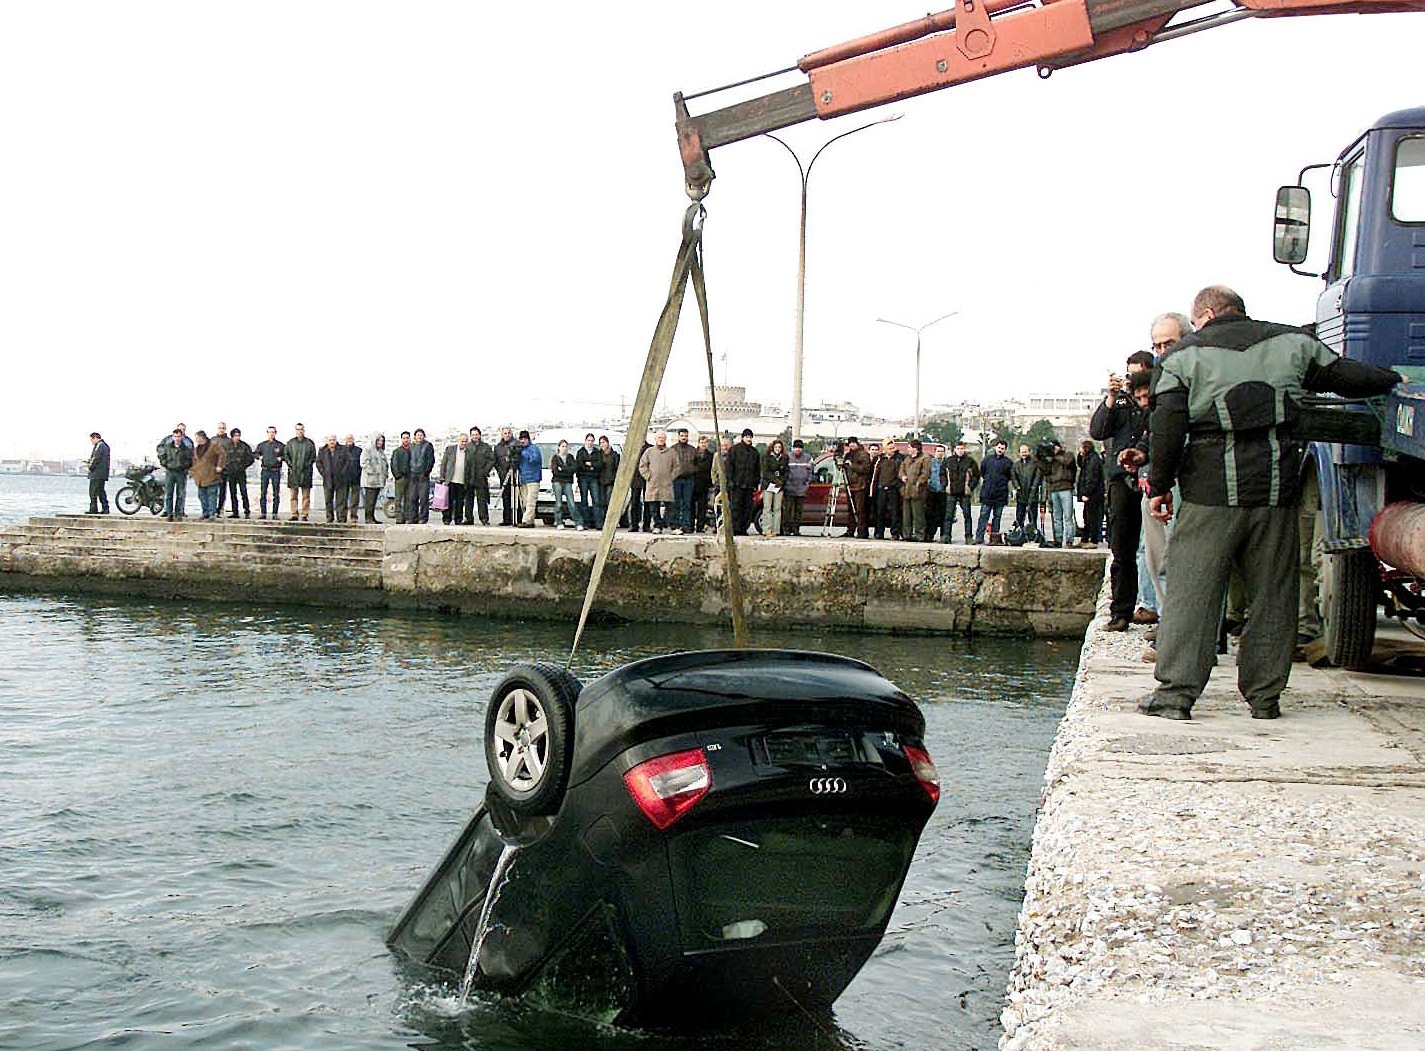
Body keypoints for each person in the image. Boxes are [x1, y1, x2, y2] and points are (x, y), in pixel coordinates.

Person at [1138, 284, 1403, 721]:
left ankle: (1175, 697)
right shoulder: (1292, 343)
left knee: (1193, 593)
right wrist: (1394, 379)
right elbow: (1347, 377)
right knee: (1273, 596)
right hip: (1275, 490)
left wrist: (1161, 486)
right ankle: (1264, 698)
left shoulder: (1180, 358)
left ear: (1203, 316)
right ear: (1240, 311)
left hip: (1209, 495)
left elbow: (1166, 428)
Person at [1091, 367, 1151, 630]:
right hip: (1121, 481)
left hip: (1152, 476)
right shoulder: (1121, 403)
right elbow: (1098, 431)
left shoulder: (1158, 401)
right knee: (1122, 548)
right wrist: (1111, 399)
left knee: (1155, 548)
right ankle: (1121, 611)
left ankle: (1153, 607)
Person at [1036, 439, 1077, 547]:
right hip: (1054, 488)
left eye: (1054, 447)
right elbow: (1045, 471)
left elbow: (1067, 462)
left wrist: (1055, 455)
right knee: (1056, 516)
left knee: (1068, 516)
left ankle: (1069, 540)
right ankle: (1058, 540)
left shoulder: (1068, 455)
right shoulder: (1050, 460)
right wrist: (1039, 458)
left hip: (1066, 487)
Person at [639, 431, 677, 533]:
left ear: (665, 439)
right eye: (659, 437)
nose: (661, 439)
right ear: (656, 439)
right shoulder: (649, 451)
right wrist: (648, 476)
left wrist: (671, 477)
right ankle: (657, 526)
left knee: (670, 506)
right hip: (653, 483)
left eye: (663, 438)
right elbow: (642, 465)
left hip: (666, 484)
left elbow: (677, 467)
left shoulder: (671, 452)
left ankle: (673, 527)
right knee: (654, 507)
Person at [942, 440, 979, 544]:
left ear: (965, 449)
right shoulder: (948, 461)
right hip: (951, 492)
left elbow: (976, 476)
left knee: (967, 515)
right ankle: (946, 536)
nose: (960, 450)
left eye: (962, 448)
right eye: (958, 448)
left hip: (964, 493)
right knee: (948, 515)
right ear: (954, 450)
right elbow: (942, 474)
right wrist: (945, 486)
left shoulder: (970, 461)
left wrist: (970, 488)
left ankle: (968, 537)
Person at [976, 440, 1013, 543]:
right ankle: (979, 537)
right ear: (995, 448)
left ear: (1005, 450)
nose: (1000, 450)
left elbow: (1010, 477)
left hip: (1001, 494)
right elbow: (982, 472)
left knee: (997, 517)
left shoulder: (1008, 462)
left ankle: (994, 538)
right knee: (983, 516)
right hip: (987, 493)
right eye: (999, 447)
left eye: (1002, 448)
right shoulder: (987, 459)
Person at [728, 429, 761, 535]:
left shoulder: (754, 452)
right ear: (742, 437)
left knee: (747, 508)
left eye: (750, 437)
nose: (748, 439)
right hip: (737, 485)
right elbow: (729, 467)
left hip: (749, 485)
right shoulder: (734, 450)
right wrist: (731, 481)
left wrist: (756, 483)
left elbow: (757, 469)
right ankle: (734, 528)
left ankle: (743, 528)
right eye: (747, 437)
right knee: (735, 508)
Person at [899, 439, 932, 542]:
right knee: (906, 514)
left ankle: (920, 535)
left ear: (916, 448)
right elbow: (901, 469)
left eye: (909, 447)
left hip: (918, 490)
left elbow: (926, 473)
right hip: (907, 489)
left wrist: (919, 482)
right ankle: (907, 534)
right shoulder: (907, 459)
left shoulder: (925, 458)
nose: (908, 449)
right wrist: (902, 476)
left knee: (918, 514)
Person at [157, 427, 193, 520]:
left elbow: (190, 459)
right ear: (172, 437)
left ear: (181, 437)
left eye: (179, 436)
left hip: (181, 472)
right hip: (170, 472)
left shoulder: (185, 449)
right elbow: (162, 456)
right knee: (169, 493)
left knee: (180, 494)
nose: (177, 438)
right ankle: (169, 513)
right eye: (175, 436)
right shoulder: (168, 447)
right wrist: (166, 464)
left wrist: (184, 466)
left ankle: (178, 513)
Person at [190, 429, 226, 520]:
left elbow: (222, 454)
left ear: (203, 437)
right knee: (202, 496)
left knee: (212, 495)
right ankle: (205, 512)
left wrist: (219, 466)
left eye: (197, 438)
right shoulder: (196, 449)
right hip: (199, 477)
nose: (196, 440)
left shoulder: (213, 445)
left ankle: (212, 513)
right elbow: (194, 461)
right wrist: (193, 472)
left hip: (212, 475)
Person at [869, 441, 902, 540]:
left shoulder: (898, 459)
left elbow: (899, 474)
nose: (893, 450)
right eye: (890, 448)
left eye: (893, 448)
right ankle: (879, 532)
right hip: (881, 489)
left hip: (893, 489)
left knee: (894, 512)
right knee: (880, 512)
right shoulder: (881, 460)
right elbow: (876, 475)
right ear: (885, 449)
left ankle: (895, 533)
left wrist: (896, 485)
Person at [283, 423, 317, 522]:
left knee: (306, 496)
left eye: (301, 429)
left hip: (306, 473)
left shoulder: (310, 443)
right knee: (293, 496)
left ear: (304, 430)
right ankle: (294, 514)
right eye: (298, 429)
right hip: (293, 473)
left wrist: (307, 466)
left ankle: (304, 514)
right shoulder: (290, 443)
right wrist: (291, 465)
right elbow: (286, 455)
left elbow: (313, 457)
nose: (300, 431)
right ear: (295, 430)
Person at [439, 433, 473, 526]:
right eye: (462, 441)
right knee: (448, 501)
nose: (464, 443)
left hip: (462, 481)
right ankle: (447, 518)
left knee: (460, 502)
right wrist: (442, 477)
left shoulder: (469, 452)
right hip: (451, 480)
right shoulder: (450, 449)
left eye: (466, 441)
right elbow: (444, 463)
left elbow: (471, 468)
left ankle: (458, 519)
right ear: (459, 440)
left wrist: (469, 480)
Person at [841, 437, 872, 539]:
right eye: (850, 444)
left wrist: (852, 465)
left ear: (857, 444)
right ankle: (850, 530)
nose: (851, 445)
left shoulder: (863, 454)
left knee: (860, 510)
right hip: (850, 485)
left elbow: (866, 468)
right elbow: (842, 467)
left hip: (860, 486)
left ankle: (862, 532)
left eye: (853, 443)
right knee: (850, 510)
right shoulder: (848, 455)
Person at [1076, 440, 1105, 547]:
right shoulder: (1088, 459)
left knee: (1092, 518)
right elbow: (1081, 465)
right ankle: (1084, 539)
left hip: (1093, 494)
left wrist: (1086, 493)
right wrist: (1080, 456)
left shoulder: (1093, 461)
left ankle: (1093, 540)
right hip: (1091, 493)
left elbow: (1092, 478)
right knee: (1086, 517)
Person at [221, 427, 254, 519]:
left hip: (241, 472)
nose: (237, 437)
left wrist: (243, 466)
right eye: (235, 436)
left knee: (243, 491)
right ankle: (235, 511)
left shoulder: (244, 446)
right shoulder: (226, 446)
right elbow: (222, 457)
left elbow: (251, 458)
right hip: (231, 472)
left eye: (238, 435)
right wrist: (226, 466)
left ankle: (247, 510)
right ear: (232, 437)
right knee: (233, 492)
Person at [467, 427, 497, 526]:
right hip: (469, 476)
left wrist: (485, 471)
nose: (475, 436)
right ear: (470, 436)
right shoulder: (468, 447)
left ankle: (484, 518)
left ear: (479, 435)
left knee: (482, 499)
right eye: (473, 434)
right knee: (468, 499)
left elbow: (492, 460)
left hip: (481, 476)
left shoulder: (486, 447)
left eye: (476, 434)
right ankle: (468, 518)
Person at [760, 438, 789, 537]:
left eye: (779, 447)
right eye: (776, 447)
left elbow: (786, 472)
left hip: (779, 487)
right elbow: (765, 471)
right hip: (768, 485)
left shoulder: (784, 458)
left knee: (777, 508)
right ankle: (766, 529)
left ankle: (776, 530)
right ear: (772, 447)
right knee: (767, 508)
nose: (778, 449)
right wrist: (774, 480)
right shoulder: (766, 457)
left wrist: (781, 481)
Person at [1010, 443, 1042, 535]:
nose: (1024, 453)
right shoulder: (1016, 465)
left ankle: (1033, 534)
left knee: (1032, 517)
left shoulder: (1034, 464)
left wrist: (1033, 488)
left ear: (1029, 451)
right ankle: (1020, 534)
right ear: (1019, 453)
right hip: (1021, 495)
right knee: (1019, 516)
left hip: (1032, 495)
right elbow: (1013, 477)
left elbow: (1037, 477)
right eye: (1022, 452)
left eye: (1025, 451)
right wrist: (1017, 487)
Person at [671, 427, 698, 533]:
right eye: (682, 435)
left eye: (685, 436)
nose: (684, 437)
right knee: (676, 503)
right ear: (678, 436)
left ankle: (686, 525)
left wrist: (692, 470)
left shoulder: (692, 450)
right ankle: (676, 524)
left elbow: (697, 463)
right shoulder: (673, 449)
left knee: (687, 504)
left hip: (689, 480)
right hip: (676, 479)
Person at [549, 439, 581, 529]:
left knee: (571, 503)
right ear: (559, 447)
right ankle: (559, 521)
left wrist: (562, 469)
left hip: (568, 482)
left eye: (566, 446)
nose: (564, 448)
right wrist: (566, 469)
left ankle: (578, 522)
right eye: (562, 446)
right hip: (557, 482)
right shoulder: (555, 458)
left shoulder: (570, 457)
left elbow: (574, 469)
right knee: (558, 503)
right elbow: (555, 471)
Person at [255, 426, 284, 519]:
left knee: (276, 493)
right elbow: (255, 453)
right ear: (267, 433)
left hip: (276, 471)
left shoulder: (280, 445)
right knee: (263, 492)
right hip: (265, 470)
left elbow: (287, 455)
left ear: (276, 433)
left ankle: (275, 513)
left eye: (273, 432)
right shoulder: (262, 445)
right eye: (269, 432)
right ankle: (263, 513)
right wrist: (259, 457)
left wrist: (281, 458)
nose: (271, 434)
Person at [784, 439, 812, 536]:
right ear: (793, 448)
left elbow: (810, 473)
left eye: (800, 448)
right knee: (788, 510)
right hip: (789, 488)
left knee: (798, 511)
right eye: (796, 447)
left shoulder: (807, 458)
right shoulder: (787, 457)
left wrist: (806, 484)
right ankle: (787, 529)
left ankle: (796, 529)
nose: (798, 450)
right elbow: (781, 471)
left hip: (801, 489)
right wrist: (785, 483)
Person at [573, 433, 602, 530]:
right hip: (583, 479)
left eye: (592, 441)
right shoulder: (580, 452)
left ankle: (598, 523)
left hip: (594, 478)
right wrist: (590, 467)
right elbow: (579, 465)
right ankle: (586, 523)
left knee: (596, 501)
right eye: (588, 440)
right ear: (585, 441)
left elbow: (599, 465)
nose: (590, 442)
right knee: (584, 501)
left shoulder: (597, 452)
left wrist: (591, 465)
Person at [515, 430, 542, 527]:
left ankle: (525, 520)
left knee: (531, 501)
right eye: (521, 439)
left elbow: (534, 460)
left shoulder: (534, 448)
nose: (522, 441)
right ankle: (530, 521)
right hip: (523, 479)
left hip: (533, 479)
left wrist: (523, 453)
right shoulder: (520, 450)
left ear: (528, 439)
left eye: (524, 439)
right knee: (525, 502)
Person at [409, 427, 436, 524]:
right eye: (418, 435)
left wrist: (426, 471)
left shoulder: (428, 446)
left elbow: (431, 460)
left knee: (424, 498)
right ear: (415, 437)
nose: (419, 437)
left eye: (421, 435)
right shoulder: (411, 446)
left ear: (424, 436)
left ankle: (423, 518)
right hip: (412, 475)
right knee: (412, 498)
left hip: (423, 475)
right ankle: (413, 518)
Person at [361, 433, 389, 524]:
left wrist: (385, 475)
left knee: (374, 501)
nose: (380, 442)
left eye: (382, 441)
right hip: (370, 480)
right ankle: (368, 518)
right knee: (369, 501)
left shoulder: (381, 452)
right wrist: (372, 472)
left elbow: (385, 465)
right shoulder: (368, 449)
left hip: (379, 481)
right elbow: (364, 463)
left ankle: (372, 517)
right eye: (379, 440)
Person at [494, 427, 519, 526]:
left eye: (509, 433)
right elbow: (495, 462)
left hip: (516, 475)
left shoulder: (517, 444)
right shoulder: (498, 447)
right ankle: (507, 519)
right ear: (502, 435)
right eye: (505, 433)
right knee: (506, 498)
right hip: (504, 475)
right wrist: (500, 472)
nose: (507, 435)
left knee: (516, 498)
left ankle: (518, 519)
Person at [317, 435, 343, 522]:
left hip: (340, 479)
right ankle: (329, 517)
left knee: (340, 501)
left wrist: (342, 473)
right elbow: (318, 463)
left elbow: (346, 463)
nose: (332, 442)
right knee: (328, 500)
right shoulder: (322, 451)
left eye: (333, 440)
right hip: (327, 479)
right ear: (327, 441)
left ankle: (341, 518)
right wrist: (324, 473)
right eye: (330, 440)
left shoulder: (342, 450)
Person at [925, 443, 948, 542]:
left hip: (943, 492)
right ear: (934, 452)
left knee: (944, 515)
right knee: (931, 515)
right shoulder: (930, 463)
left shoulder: (947, 463)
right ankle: (929, 535)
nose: (940, 453)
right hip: (932, 491)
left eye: (942, 451)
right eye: (938, 451)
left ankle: (944, 536)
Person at [389, 431, 412, 524]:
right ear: (401, 439)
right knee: (398, 499)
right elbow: (393, 464)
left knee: (409, 499)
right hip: (400, 479)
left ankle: (407, 518)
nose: (406, 440)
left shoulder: (413, 450)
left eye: (407, 438)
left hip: (410, 478)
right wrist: (397, 476)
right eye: (404, 438)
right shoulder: (397, 451)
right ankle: (399, 518)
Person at [692, 435, 715, 533]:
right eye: (701, 443)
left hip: (705, 483)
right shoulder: (693, 453)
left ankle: (700, 526)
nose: (703, 445)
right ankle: (690, 525)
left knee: (702, 507)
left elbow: (712, 469)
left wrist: (711, 484)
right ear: (698, 443)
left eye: (705, 443)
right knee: (691, 506)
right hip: (693, 482)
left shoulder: (710, 455)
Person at [597, 435, 619, 527]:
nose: (602, 444)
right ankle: (603, 522)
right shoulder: (598, 454)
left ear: (608, 443)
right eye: (600, 443)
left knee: (610, 502)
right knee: (602, 502)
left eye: (604, 442)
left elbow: (617, 467)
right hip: (601, 481)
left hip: (610, 481)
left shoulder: (614, 454)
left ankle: (611, 521)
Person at [86, 432, 110, 514]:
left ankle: (93, 508)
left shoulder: (100, 446)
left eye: (91, 440)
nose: (91, 442)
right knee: (100, 491)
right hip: (102, 473)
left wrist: (90, 466)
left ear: (95, 438)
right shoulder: (105, 446)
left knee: (93, 491)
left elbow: (96, 458)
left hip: (96, 473)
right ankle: (105, 508)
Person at [340, 435, 363, 523]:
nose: (349, 440)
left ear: (353, 440)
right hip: (343, 479)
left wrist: (359, 474)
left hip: (356, 478)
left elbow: (361, 464)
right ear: (345, 440)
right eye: (348, 439)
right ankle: (343, 517)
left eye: (351, 439)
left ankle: (353, 516)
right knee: (343, 499)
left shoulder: (358, 450)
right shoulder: (341, 450)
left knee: (355, 500)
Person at [212, 422, 234, 515]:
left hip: (224, 469)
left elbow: (231, 455)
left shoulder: (229, 441)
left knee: (222, 490)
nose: (221, 429)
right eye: (220, 428)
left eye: (223, 428)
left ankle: (220, 509)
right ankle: (211, 509)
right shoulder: (212, 440)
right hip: (213, 469)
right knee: (212, 490)